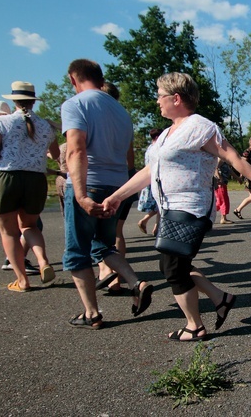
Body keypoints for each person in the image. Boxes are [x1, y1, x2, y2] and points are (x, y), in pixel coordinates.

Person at [103, 72, 251, 341]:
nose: (157, 101)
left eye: (160, 96)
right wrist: (117, 196)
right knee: (173, 264)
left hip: (191, 207)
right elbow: (150, 170)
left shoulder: (200, 127)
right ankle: (219, 298)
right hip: (169, 208)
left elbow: (233, 157)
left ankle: (195, 326)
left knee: (173, 266)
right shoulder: (166, 134)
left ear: (176, 98)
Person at [61, 59, 153, 329]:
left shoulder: (75, 104)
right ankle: (137, 282)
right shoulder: (121, 111)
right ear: (101, 78)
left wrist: (80, 195)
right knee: (103, 245)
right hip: (117, 186)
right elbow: (128, 156)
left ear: (72, 79)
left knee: (77, 251)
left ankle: (91, 313)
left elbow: (76, 150)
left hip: (88, 182)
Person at [0, 81, 60, 292]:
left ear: (13, 100)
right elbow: (56, 155)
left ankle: (22, 280)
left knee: (10, 232)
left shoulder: (1, 123)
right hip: (35, 179)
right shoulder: (46, 125)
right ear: (33, 101)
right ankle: (42, 261)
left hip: (7, 177)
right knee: (29, 226)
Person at [96, 81, 138, 294]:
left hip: (99, 181)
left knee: (95, 234)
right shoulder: (124, 119)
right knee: (117, 232)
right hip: (124, 179)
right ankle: (117, 279)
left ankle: (105, 271)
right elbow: (130, 160)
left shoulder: (94, 118)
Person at [137, 129, 162, 234]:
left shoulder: (149, 149)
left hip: (149, 179)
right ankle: (145, 220)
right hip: (156, 179)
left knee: (158, 205)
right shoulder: (157, 148)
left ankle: (157, 228)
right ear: (157, 137)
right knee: (160, 204)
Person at [215, 158, 236, 224]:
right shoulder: (220, 159)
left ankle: (206, 214)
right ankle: (223, 219)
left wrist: (237, 178)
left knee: (219, 202)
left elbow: (229, 170)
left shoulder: (224, 159)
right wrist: (219, 178)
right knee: (224, 200)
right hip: (220, 184)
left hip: (223, 183)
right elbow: (215, 168)